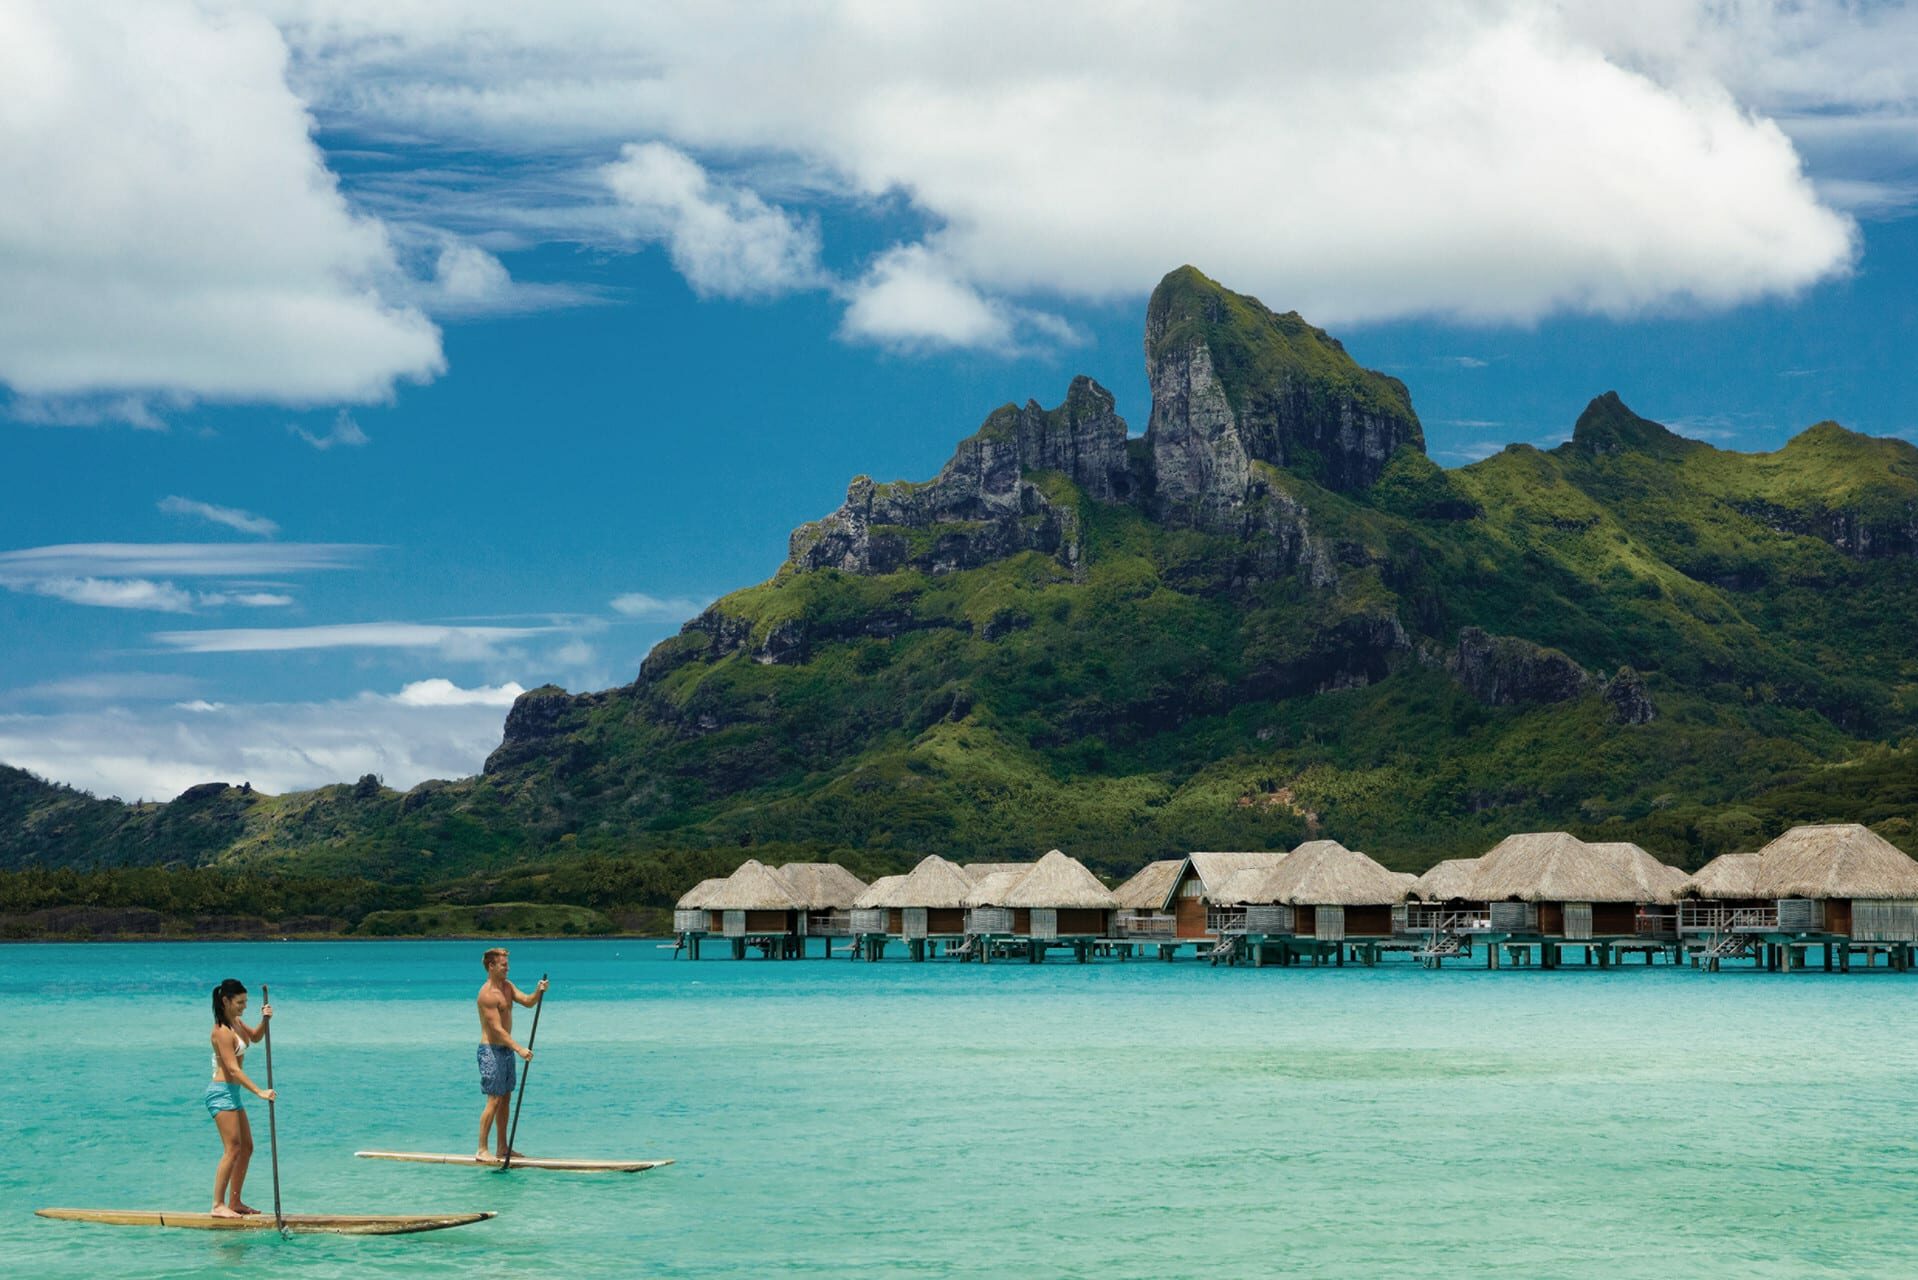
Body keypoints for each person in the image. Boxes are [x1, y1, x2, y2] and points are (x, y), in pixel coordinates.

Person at [206, 978, 274, 1218]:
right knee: (232, 1149)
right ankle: (217, 1205)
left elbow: (255, 1038)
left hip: (232, 1093)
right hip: (221, 1094)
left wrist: (264, 1020)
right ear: (226, 1001)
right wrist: (259, 1092)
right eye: (240, 1002)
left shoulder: (236, 1023)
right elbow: (233, 1069)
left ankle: (235, 1202)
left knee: (247, 1148)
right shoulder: (221, 1032)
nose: (244, 1006)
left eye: (246, 1001)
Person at [476, 948, 546, 1163]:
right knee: (494, 1099)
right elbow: (496, 1029)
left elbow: (527, 1001)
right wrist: (520, 1049)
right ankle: (481, 1150)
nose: (508, 968)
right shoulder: (487, 994)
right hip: (491, 1051)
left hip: (506, 1050)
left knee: (505, 1099)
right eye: (504, 965)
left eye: (507, 964)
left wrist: (538, 992)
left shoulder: (507, 987)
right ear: (492, 966)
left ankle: (502, 1148)